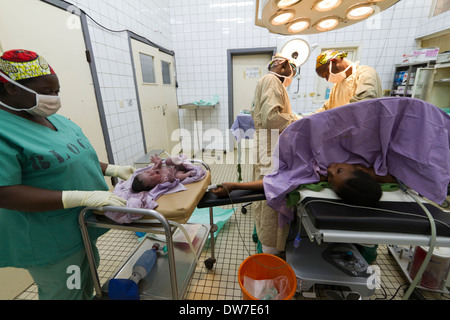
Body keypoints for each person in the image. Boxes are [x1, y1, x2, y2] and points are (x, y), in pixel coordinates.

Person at [0, 49, 135, 300]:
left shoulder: (55, 120)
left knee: (85, 285)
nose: (54, 98)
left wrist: (113, 169)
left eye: (56, 91)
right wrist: (80, 197)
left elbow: (73, 157)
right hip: (49, 238)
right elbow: (5, 193)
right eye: (46, 91)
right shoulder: (4, 129)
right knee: (64, 293)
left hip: (80, 225)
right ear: (11, 89)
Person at [251, 54, 300, 255]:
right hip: (271, 149)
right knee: (272, 198)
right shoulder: (272, 81)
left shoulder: (266, 80)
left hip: (266, 147)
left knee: (263, 195)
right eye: (293, 71)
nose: (292, 76)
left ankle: (263, 237)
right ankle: (270, 250)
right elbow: (272, 118)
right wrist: (297, 120)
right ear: (285, 65)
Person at [211, 162, 395, 207]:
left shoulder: (328, 177)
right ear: (359, 169)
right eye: (338, 170)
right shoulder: (385, 172)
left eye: (330, 180)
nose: (328, 171)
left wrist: (235, 186)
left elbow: (281, 182)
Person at [314, 50, 382, 112]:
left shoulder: (366, 73)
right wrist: (310, 118)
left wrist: (335, 117)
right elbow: (327, 108)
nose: (327, 79)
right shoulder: (337, 85)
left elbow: (362, 103)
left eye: (327, 75)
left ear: (334, 61)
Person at [131, 154, 195, 192]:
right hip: (177, 172)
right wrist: (171, 178)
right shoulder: (162, 181)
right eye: (151, 176)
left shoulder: (154, 169)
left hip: (174, 165)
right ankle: (189, 173)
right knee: (178, 177)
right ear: (154, 186)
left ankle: (179, 160)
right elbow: (171, 182)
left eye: (148, 172)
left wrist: (159, 163)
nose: (152, 172)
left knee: (167, 161)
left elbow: (159, 165)